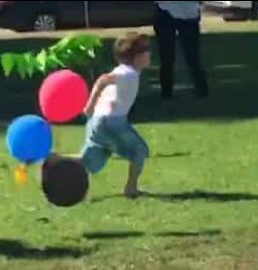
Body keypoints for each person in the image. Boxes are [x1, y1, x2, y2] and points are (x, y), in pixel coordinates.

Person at [77, 32, 151, 198]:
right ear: (137, 57)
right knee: (139, 150)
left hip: (97, 120)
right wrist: (89, 105)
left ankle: (59, 170)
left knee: (91, 158)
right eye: (146, 50)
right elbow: (103, 80)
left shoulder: (123, 71)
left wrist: (92, 109)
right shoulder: (128, 74)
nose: (150, 54)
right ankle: (131, 189)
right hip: (112, 121)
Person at [153, 1, 209, 99]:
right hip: (166, 11)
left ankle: (202, 89)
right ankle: (166, 92)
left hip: (188, 14)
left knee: (192, 56)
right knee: (167, 56)